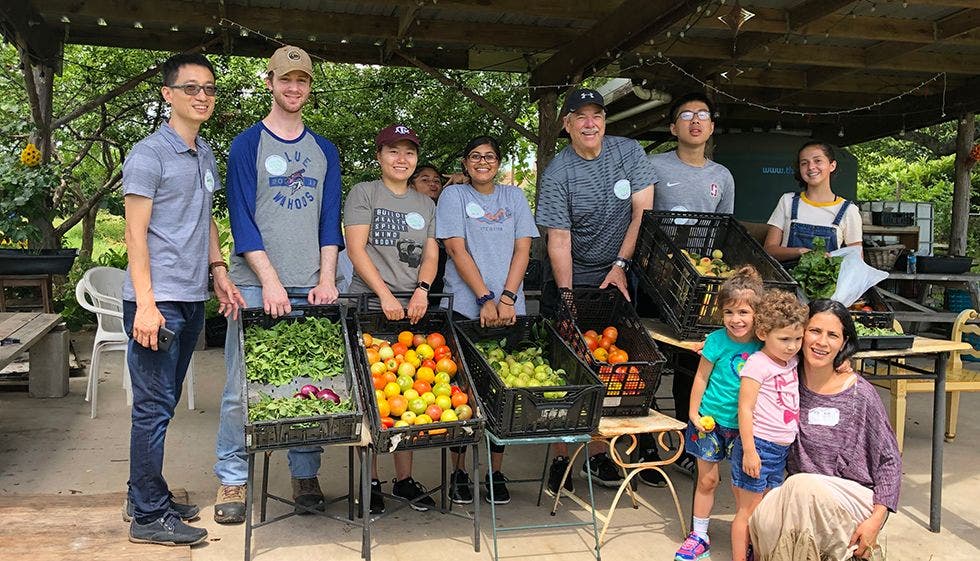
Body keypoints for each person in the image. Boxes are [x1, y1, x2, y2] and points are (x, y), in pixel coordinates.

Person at [214, 45, 344, 524]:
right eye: (285, 79)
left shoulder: (324, 150)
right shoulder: (247, 145)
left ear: (309, 86)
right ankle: (233, 477)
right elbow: (242, 220)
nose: (294, 88)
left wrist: (327, 277)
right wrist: (268, 282)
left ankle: (304, 473)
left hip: (311, 287)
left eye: (302, 80)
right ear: (269, 81)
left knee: (311, 384)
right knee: (240, 387)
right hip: (253, 286)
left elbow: (330, 220)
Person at [122, 52, 244, 546]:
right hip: (159, 302)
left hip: (191, 295)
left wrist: (218, 270)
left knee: (164, 403)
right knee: (152, 408)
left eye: (210, 88)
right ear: (168, 94)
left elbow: (205, 218)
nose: (202, 96)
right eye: (191, 88)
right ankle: (148, 517)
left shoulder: (205, 153)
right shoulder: (148, 154)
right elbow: (134, 234)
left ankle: (143, 492)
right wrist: (146, 304)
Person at [535, 87, 657, 493]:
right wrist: (569, 299)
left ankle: (602, 456)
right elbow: (559, 239)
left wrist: (620, 266)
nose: (590, 123)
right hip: (574, 274)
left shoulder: (628, 153)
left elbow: (644, 213)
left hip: (620, 273)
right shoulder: (558, 172)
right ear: (566, 125)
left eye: (597, 116)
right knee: (568, 372)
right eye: (580, 117)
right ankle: (560, 461)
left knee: (616, 368)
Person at [748, 299, 901, 561]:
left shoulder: (859, 393)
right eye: (815, 331)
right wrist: (716, 351)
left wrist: (876, 519)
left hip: (850, 496)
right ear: (800, 333)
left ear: (844, 343)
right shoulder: (783, 383)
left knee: (801, 486)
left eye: (833, 335)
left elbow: (889, 460)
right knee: (762, 517)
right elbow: (761, 338)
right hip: (799, 500)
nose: (822, 342)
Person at [436, 135, 539, 505]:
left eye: (490, 156)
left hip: (511, 309)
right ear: (465, 163)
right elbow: (455, 247)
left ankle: (495, 473)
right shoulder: (454, 197)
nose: (483, 162)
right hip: (466, 307)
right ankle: (459, 473)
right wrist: (484, 297)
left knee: (506, 395)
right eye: (475, 156)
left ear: (499, 162)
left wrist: (507, 298)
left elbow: (523, 247)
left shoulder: (514, 198)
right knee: (462, 394)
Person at [640, 92, 736, 485]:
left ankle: (684, 442)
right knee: (648, 359)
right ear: (673, 126)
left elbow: (724, 230)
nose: (695, 122)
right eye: (686, 115)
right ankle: (643, 444)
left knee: (693, 362)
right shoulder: (652, 165)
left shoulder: (722, 176)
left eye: (702, 116)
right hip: (654, 279)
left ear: (711, 126)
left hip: (700, 286)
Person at [344, 123, 439, 514]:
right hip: (368, 305)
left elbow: (432, 253)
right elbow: (356, 249)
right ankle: (370, 482)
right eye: (393, 152)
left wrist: (422, 289)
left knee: (410, 394)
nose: (402, 159)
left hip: (411, 310)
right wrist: (383, 294)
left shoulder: (426, 204)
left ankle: (403, 480)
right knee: (371, 396)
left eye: (409, 152)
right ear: (380, 156)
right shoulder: (364, 193)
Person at [673, 267, 764, 561]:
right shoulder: (715, 341)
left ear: (757, 313)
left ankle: (746, 539)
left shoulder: (765, 344)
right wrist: (692, 413)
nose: (735, 320)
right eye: (728, 312)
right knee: (707, 480)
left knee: (743, 487)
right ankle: (699, 535)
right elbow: (700, 379)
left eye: (743, 312)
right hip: (710, 421)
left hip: (746, 427)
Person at [731, 290, 808, 561]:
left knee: (768, 508)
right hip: (759, 446)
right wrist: (750, 451)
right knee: (748, 510)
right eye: (785, 339)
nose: (792, 345)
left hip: (781, 449)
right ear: (763, 333)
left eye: (798, 339)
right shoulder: (757, 364)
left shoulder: (792, 361)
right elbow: (745, 408)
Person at [764, 141, 863, 263]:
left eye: (818, 161)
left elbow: (856, 259)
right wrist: (800, 252)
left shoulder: (848, 210)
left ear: (832, 165)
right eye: (804, 163)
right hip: (786, 280)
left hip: (828, 281)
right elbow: (769, 250)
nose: (811, 167)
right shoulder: (787, 201)